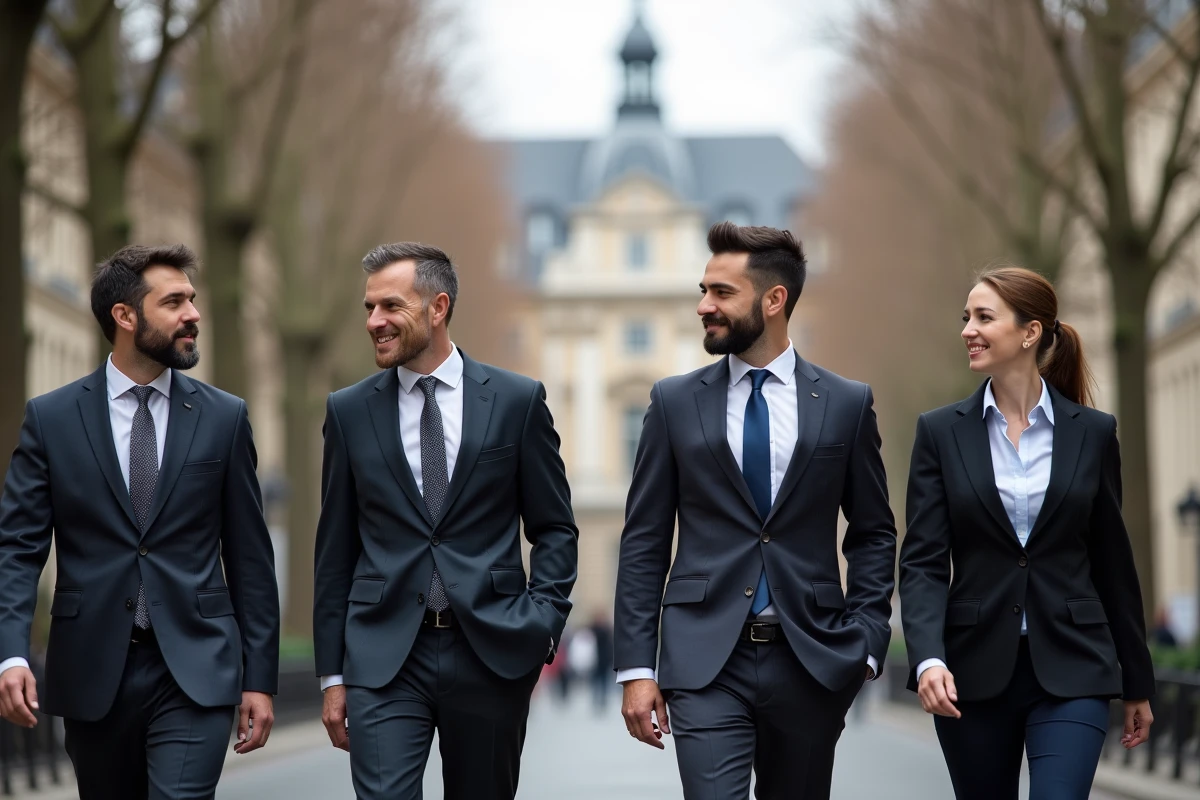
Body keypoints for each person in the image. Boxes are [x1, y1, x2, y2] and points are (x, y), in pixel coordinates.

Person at [614, 222, 897, 799]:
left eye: (721, 293)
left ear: (774, 300)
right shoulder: (673, 403)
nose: (703, 306)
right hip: (703, 662)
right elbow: (644, 540)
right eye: (704, 290)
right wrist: (638, 670)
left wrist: (867, 641)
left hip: (812, 657)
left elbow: (872, 532)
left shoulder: (846, 404)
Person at [0, 244, 280, 800]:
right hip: (92, 668)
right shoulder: (51, 419)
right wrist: (10, 651)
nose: (193, 314)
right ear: (125, 317)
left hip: (197, 668)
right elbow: (18, 548)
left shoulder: (225, 418)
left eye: (193, 300)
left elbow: (250, 557)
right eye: (173, 302)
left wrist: (259, 680)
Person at [313, 242, 578, 800]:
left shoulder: (516, 401)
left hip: (492, 651)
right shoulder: (348, 411)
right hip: (383, 658)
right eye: (368, 308)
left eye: (390, 306)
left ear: (437, 307)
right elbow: (334, 552)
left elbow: (554, 527)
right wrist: (334, 676)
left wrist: (542, 623)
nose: (374, 322)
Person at [899, 265, 1155, 799]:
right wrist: (927, 657)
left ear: (1030, 331)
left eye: (984, 317)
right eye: (965, 317)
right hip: (970, 675)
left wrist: (1137, 681)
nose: (968, 328)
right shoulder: (940, 433)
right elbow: (922, 561)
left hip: (1075, 667)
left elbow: (1113, 563)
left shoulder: (1094, 433)